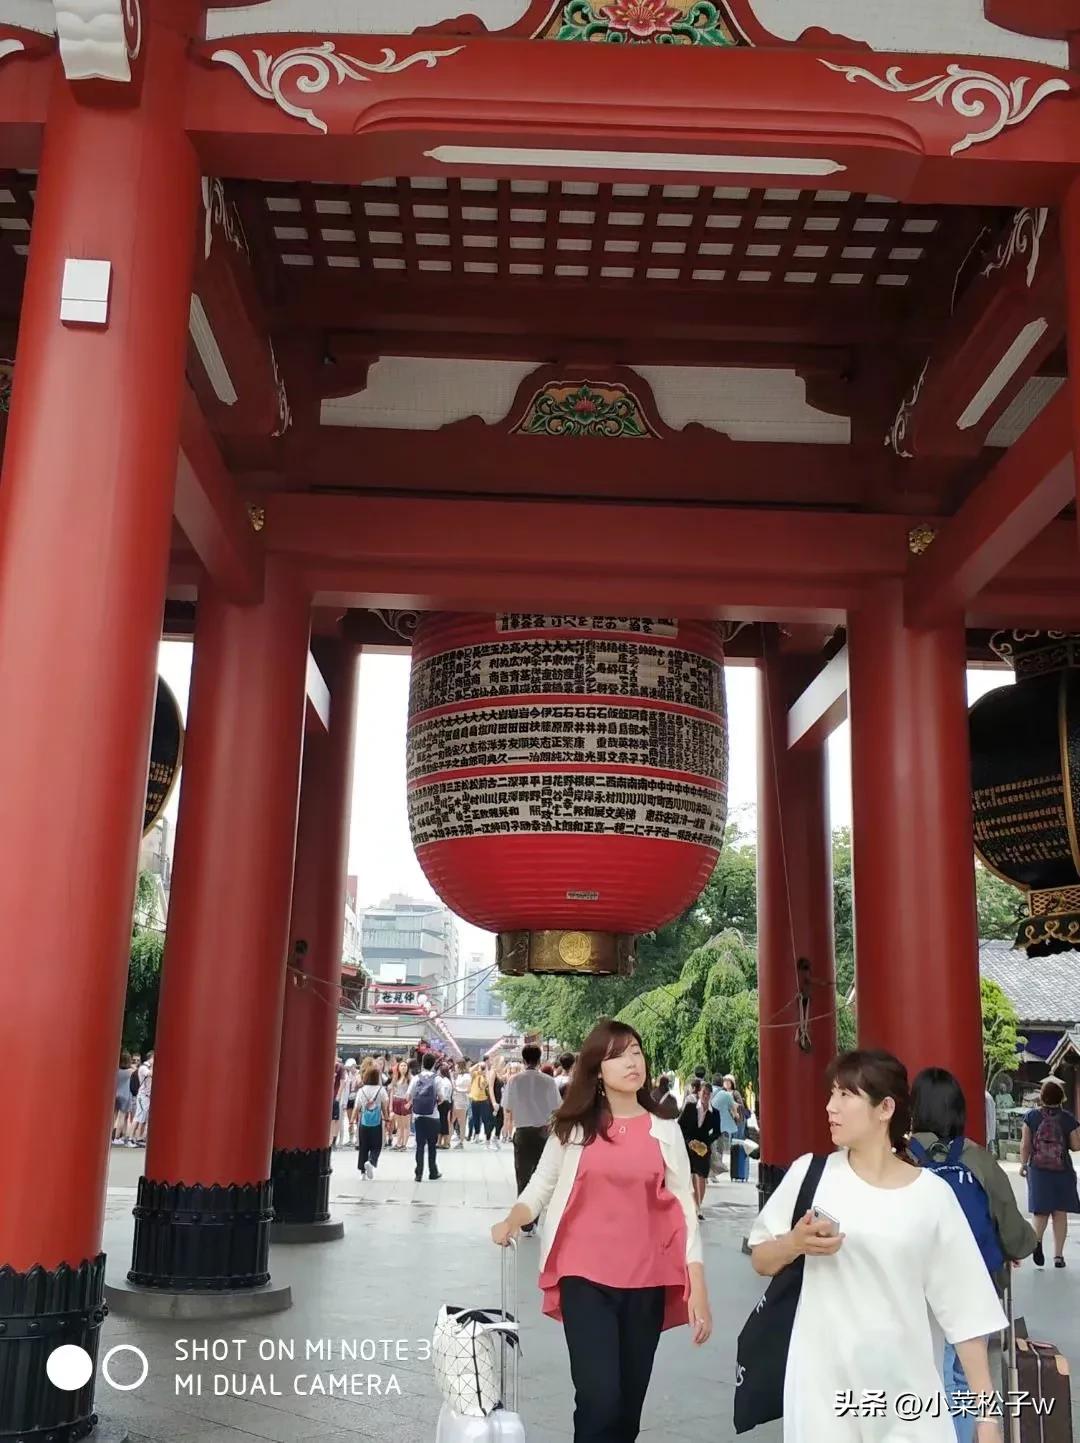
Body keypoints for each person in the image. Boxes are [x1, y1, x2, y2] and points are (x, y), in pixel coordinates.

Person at [748, 1049, 1006, 1443]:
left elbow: (967, 1311)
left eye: (846, 1096)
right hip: (822, 1392)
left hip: (908, 1395)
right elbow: (762, 1258)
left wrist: (987, 1419)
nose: (830, 1107)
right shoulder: (811, 1176)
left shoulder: (931, 1197)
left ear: (885, 1108)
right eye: (831, 1094)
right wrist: (795, 1242)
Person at [492, 1019, 711, 1443]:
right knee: (599, 1399)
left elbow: (686, 1206)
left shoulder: (664, 1129)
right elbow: (541, 1185)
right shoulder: (573, 1128)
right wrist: (511, 1220)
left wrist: (697, 1285)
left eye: (636, 1051)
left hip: (647, 1279)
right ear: (596, 1070)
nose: (633, 1062)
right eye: (618, 1055)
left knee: (628, 1409)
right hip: (584, 1277)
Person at [909, 1066, 1036, 1443]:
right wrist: (1014, 1247)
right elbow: (1009, 1221)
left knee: (932, 1368)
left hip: (918, 1287)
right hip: (974, 1285)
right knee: (965, 1373)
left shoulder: (901, 1158)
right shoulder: (977, 1158)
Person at [1019, 1077, 1080, 1268]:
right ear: (1061, 1098)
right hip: (1061, 1170)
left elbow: (1025, 1145)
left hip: (1038, 1171)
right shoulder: (1067, 1118)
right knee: (1059, 1213)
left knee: (1041, 1212)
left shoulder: (1031, 1117)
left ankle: (1037, 1241)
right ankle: (1058, 1256)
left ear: (1042, 1097)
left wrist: (1023, 1164)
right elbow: (1076, 1146)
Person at [504, 1044, 562, 1236]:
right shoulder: (548, 1081)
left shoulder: (514, 1080)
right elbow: (556, 1107)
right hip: (543, 1133)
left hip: (522, 1132)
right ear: (539, 1060)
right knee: (541, 1177)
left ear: (523, 1059)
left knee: (522, 1176)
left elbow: (508, 1106)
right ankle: (533, 1219)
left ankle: (524, 1221)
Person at [679, 1081, 720, 1218]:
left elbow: (717, 1132)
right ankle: (694, 1206)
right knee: (691, 1176)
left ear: (711, 1095)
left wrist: (706, 1142)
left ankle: (699, 1206)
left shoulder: (714, 1113)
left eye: (708, 1094)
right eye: (703, 1093)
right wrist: (688, 1141)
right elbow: (680, 1126)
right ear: (698, 1093)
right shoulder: (690, 1107)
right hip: (689, 1145)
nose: (705, 1096)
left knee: (702, 1175)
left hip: (703, 1147)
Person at [409, 1053, 445, 1182]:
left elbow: (409, 1095)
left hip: (419, 1116)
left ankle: (418, 1173)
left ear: (422, 1063)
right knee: (431, 1146)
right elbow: (442, 1098)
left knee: (419, 1146)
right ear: (434, 1064)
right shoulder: (437, 1079)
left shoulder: (415, 1078)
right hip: (433, 1116)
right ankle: (433, 1172)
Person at [356, 1064, 390, 1180]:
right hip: (376, 1122)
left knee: (363, 1147)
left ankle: (362, 1173)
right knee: (376, 1146)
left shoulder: (361, 1090)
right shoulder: (381, 1090)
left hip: (363, 1122)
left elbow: (357, 1107)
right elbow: (385, 1107)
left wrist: (351, 1122)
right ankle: (371, 1161)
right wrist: (387, 1118)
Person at [709, 1073, 740, 1180]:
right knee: (719, 1147)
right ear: (721, 1083)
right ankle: (715, 1170)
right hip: (720, 1126)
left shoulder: (707, 1091)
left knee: (710, 1147)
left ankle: (708, 1171)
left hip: (707, 1124)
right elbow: (734, 1108)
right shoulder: (726, 1094)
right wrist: (736, 1115)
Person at [389, 1059, 412, 1150]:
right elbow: (392, 1092)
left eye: (405, 1066)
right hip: (396, 1101)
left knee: (405, 1125)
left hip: (405, 1102)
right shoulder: (395, 1078)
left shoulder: (410, 1079)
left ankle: (404, 1144)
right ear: (398, 1067)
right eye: (401, 1065)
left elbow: (414, 1092)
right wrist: (391, 1105)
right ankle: (398, 1143)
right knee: (399, 1125)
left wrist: (410, 1103)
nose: (403, 1067)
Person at [113, 1051, 135, 1144]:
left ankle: (111, 1135)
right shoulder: (130, 1071)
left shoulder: (116, 1070)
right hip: (125, 1095)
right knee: (122, 1117)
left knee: (114, 1116)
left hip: (115, 1094)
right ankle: (117, 1137)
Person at [451, 1058, 471, 1147]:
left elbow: (468, 1090)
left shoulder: (467, 1077)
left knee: (461, 1122)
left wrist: (457, 1090)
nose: (455, 1067)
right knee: (452, 1120)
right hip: (455, 1100)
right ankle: (450, 1139)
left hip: (462, 1101)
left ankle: (461, 1141)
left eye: (456, 1065)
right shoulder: (458, 1076)